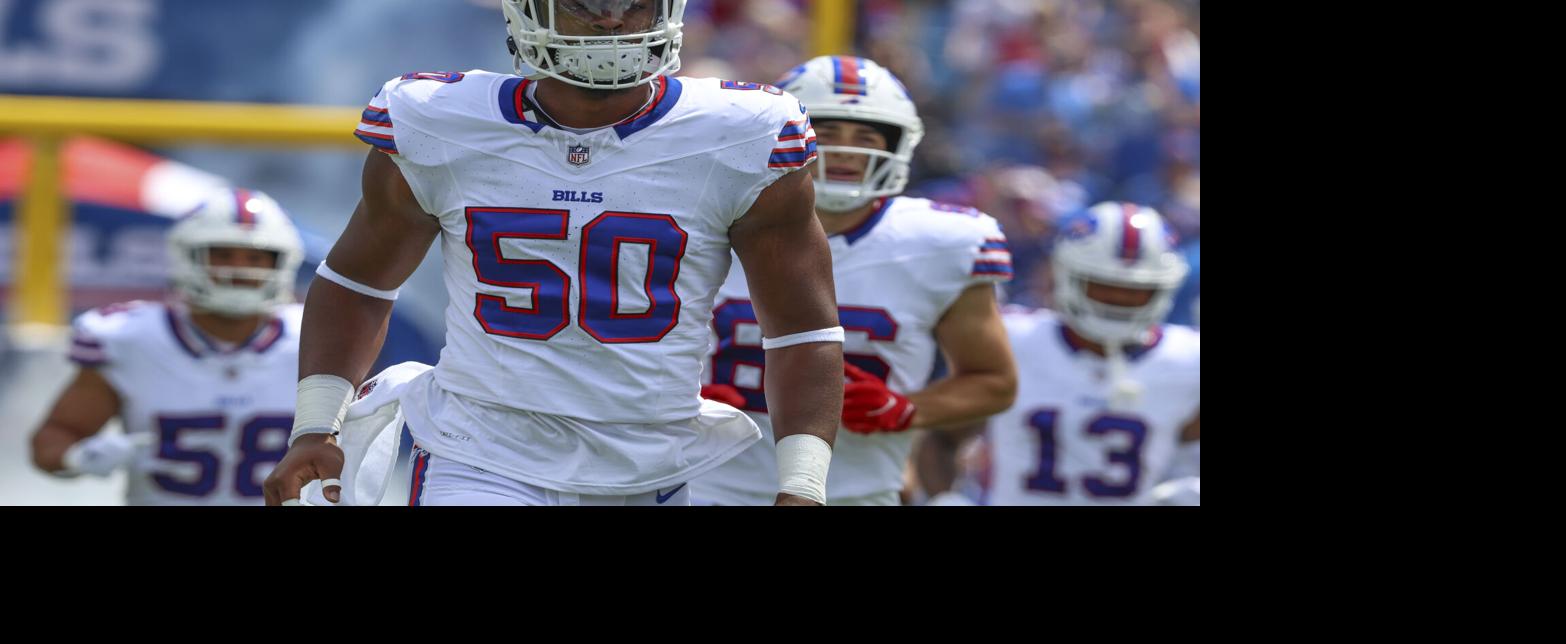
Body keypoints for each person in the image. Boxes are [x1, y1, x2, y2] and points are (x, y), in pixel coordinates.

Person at [263, 0, 843, 507]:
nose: (614, 19)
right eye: (585, 4)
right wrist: (316, 426)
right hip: (480, 452)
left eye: (634, 3)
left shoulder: (741, 134)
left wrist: (804, 486)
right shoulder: (441, 120)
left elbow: (803, 331)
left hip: (651, 465)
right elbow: (358, 282)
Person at [693, 55, 1017, 506]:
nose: (846, 151)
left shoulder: (943, 243)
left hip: (857, 494)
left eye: (866, 137)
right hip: (701, 488)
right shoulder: (708, 218)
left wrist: (907, 409)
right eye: (827, 135)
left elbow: (993, 380)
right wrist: (683, 394)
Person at [30, 188, 305, 505]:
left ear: (281, 263)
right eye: (223, 255)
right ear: (187, 256)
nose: (238, 269)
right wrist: (77, 457)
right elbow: (54, 439)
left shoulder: (314, 337)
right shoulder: (131, 338)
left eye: (255, 258)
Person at [982, 202, 1199, 506]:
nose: (1118, 299)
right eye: (1103, 286)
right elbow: (944, 437)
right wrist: (943, 495)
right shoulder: (1014, 339)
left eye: (1136, 290)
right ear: (1068, 275)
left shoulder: (1189, 361)